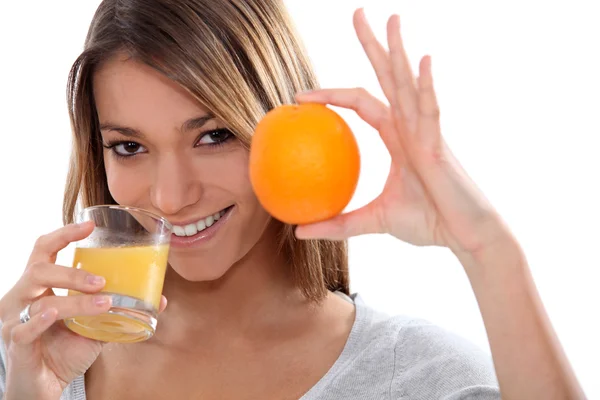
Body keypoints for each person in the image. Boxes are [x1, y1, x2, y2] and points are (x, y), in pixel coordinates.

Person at [0, 0, 586, 399]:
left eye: (214, 136)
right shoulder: (28, 359)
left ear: (279, 129)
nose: (171, 196)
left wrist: (489, 250)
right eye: (129, 146)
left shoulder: (421, 377)